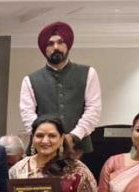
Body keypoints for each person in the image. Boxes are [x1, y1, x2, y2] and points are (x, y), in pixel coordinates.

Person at [20, 21, 101, 156]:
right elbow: (28, 115)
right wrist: (48, 139)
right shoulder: (30, 80)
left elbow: (93, 109)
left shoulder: (88, 73)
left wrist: (74, 136)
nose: (56, 47)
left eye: (60, 42)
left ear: (67, 45)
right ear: (44, 49)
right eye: (50, 44)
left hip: (79, 149)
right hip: (42, 149)